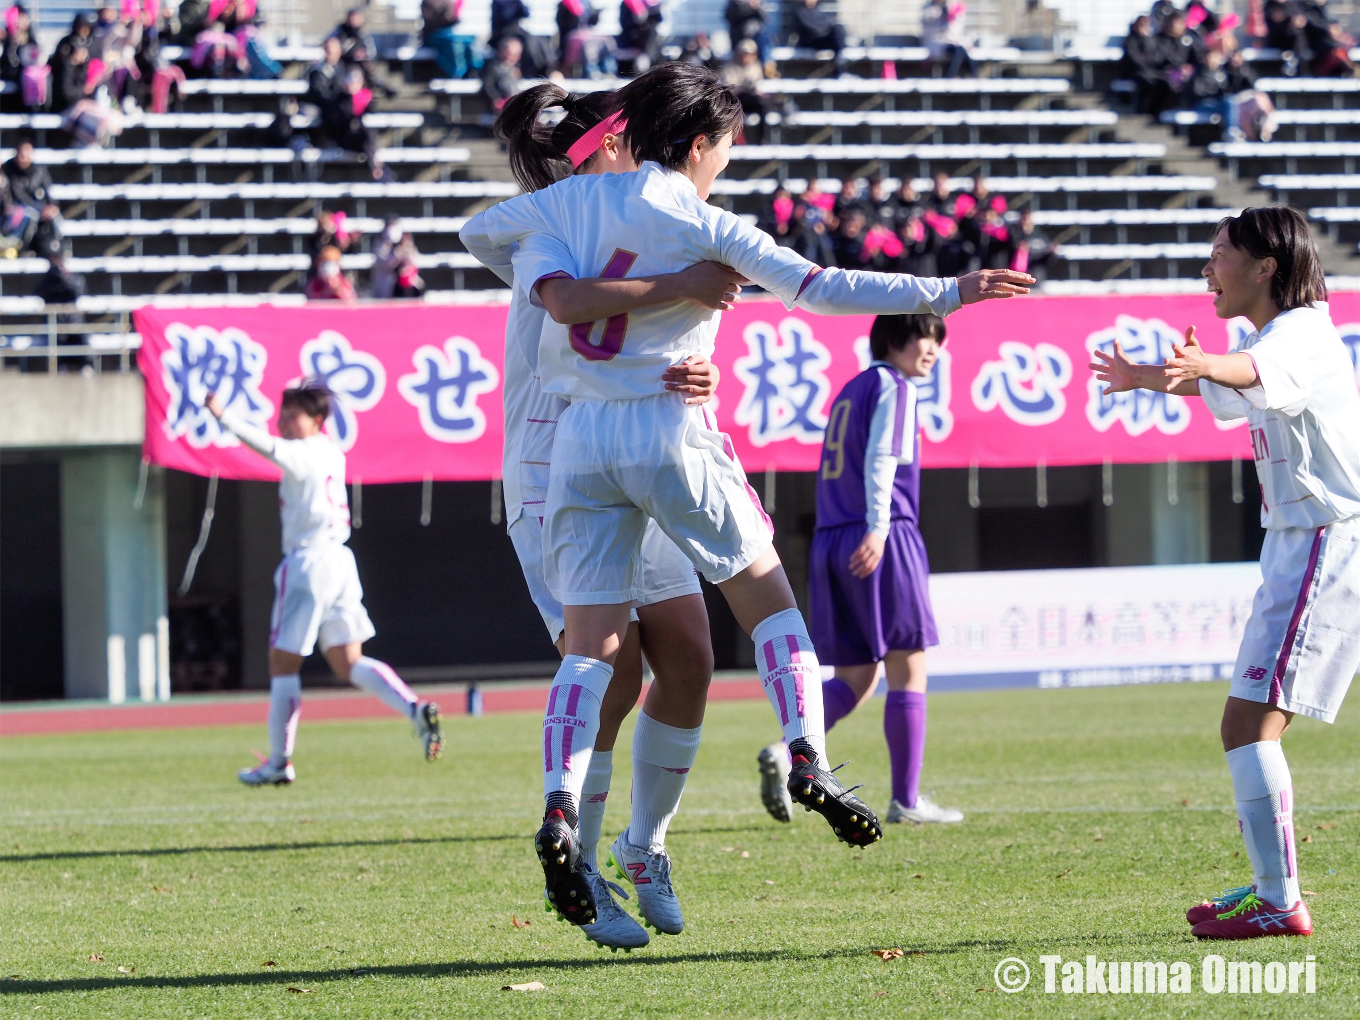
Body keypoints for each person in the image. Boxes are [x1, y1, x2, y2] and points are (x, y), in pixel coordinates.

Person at [462, 60, 1033, 932]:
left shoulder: (559, 213)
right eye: (727, 144)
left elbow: (541, 279)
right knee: (689, 634)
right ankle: (779, 765)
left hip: (595, 446)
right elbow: (807, 287)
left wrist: (684, 357)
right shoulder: (664, 220)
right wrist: (948, 291)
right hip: (588, 456)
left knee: (670, 655)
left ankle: (615, 834)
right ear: (660, 141)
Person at [461, 82, 740, 948]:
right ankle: (577, 865)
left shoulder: (641, 226)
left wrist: (697, 374)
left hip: (635, 460)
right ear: (612, 149)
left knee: (690, 658)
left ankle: (643, 845)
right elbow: (561, 303)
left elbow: (651, 345)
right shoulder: (551, 230)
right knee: (612, 674)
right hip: (558, 478)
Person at [1091, 207, 1360, 940]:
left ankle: (1280, 899)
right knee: (1249, 723)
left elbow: (1243, 373)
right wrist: (1146, 376)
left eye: (1220, 254)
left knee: (1248, 723)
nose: (1208, 268)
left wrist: (1205, 362)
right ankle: (1274, 891)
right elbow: (1228, 383)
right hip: (1302, 542)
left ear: (1266, 266)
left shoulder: (1300, 333)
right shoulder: (1272, 338)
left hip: (1325, 540)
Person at [758, 313, 963, 827]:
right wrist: (878, 527)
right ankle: (907, 800)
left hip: (832, 536)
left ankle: (786, 752)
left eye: (938, 340)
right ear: (894, 338)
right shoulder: (895, 386)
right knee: (907, 664)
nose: (933, 349)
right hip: (879, 534)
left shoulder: (850, 389)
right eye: (925, 336)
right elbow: (882, 459)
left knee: (856, 675)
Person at [205, 385, 444, 785]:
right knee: (348, 662)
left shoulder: (303, 451)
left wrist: (223, 416)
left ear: (316, 421)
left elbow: (268, 447)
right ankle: (414, 708)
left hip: (309, 561)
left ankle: (279, 762)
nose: (284, 421)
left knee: (283, 664)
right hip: (340, 560)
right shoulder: (332, 451)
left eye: (293, 415)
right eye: (283, 414)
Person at [3, 132, 62, 259]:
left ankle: (57, 250)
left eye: (26, 152)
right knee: (30, 216)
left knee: (55, 217)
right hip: (19, 209)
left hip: (39, 207)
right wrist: (40, 209)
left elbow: (48, 190)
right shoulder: (9, 169)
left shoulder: (39, 170)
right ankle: (22, 249)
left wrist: (52, 206)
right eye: (21, 153)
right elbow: (18, 195)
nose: (23, 157)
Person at [720, 39, 767, 144]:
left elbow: (757, 86)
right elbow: (728, 87)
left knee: (763, 107)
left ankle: (761, 140)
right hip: (735, 101)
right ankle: (734, 141)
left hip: (751, 100)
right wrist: (743, 86)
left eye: (748, 54)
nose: (745, 57)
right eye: (743, 54)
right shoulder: (729, 67)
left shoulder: (756, 66)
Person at [370, 215, 424, 299]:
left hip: (403, 285)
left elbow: (415, 261)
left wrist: (406, 247)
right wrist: (398, 253)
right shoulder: (380, 244)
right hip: (386, 286)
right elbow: (386, 264)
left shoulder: (405, 243)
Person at [921, 0, 974, 78]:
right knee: (959, 50)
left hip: (947, 41)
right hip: (935, 42)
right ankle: (954, 75)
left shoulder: (947, 8)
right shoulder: (929, 9)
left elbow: (953, 30)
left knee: (961, 50)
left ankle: (970, 75)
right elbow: (932, 29)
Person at [725, 0, 772, 68]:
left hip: (755, 37)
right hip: (740, 37)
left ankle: (767, 66)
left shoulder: (757, 3)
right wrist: (745, 7)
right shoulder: (734, 3)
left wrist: (756, 7)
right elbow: (729, 17)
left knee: (763, 38)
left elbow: (766, 18)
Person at [481, 34, 522, 111]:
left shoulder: (517, 69)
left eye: (514, 55)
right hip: (496, 109)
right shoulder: (492, 67)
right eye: (508, 53)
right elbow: (488, 86)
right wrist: (495, 99)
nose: (510, 57)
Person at [617, 0, 662, 70]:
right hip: (635, 39)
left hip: (644, 39)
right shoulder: (632, 1)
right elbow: (640, 16)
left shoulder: (648, 2)